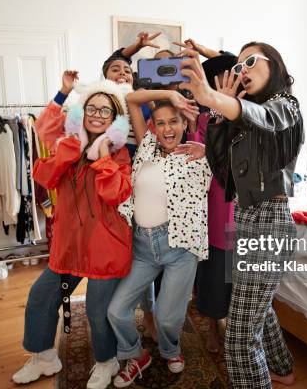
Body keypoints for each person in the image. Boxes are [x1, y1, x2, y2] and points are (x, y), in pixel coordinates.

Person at [179, 42, 304, 388]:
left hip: (269, 221)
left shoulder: (285, 106)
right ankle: (282, 370)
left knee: (238, 338)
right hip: (248, 222)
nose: (242, 71)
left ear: (275, 65)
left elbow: (266, 121)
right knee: (258, 313)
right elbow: (227, 175)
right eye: (239, 67)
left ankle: (271, 373)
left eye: (250, 62)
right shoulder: (247, 118)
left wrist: (215, 100)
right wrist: (211, 138)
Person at [12, 71, 133, 389]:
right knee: (41, 296)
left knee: (96, 310)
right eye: (91, 108)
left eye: (105, 110)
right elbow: (45, 176)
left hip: (106, 245)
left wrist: (103, 159)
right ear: (82, 113)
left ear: (114, 118)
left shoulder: (119, 154)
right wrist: (65, 94)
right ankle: (43, 357)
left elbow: (116, 194)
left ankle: (107, 362)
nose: (97, 114)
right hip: (70, 245)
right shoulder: (68, 144)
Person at [107, 89, 210, 388]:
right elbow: (133, 98)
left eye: (173, 121)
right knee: (117, 311)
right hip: (142, 247)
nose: (167, 128)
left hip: (179, 247)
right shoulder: (146, 147)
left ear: (184, 122)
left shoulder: (198, 153)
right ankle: (136, 355)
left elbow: (227, 151)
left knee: (167, 318)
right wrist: (169, 95)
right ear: (154, 127)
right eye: (161, 122)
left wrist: (208, 151)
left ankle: (170, 349)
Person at [175, 48, 238, 353]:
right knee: (213, 274)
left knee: (237, 276)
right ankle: (213, 326)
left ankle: (236, 329)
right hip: (212, 205)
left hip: (241, 208)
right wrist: (190, 127)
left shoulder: (246, 113)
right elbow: (194, 153)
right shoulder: (201, 115)